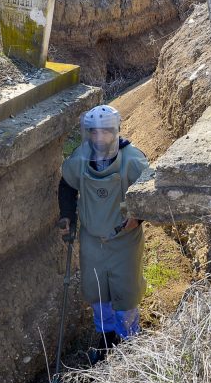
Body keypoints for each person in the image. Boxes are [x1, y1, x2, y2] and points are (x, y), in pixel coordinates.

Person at [57, 105, 150, 363]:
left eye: (105, 133)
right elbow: (66, 185)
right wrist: (67, 215)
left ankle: (129, 338)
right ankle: (106, 335)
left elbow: (148, 190)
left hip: (124, 241)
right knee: (96, 289)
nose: (99, 139)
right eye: (93, 133)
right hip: (91, 239)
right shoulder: (81, 158)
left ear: (115, 131)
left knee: (126, 289)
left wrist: (137, 217)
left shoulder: (132, 159)